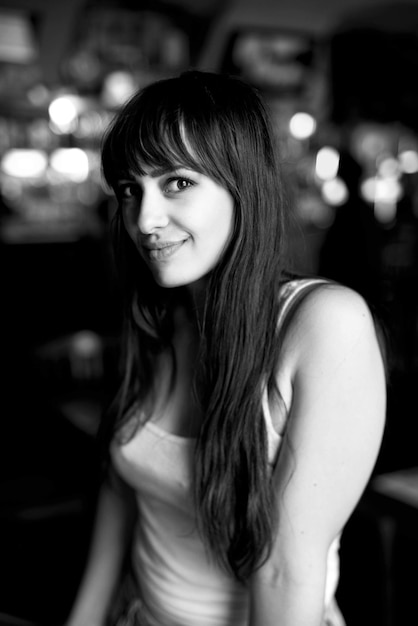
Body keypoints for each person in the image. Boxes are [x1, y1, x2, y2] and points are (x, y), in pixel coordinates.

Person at [65, 70, 386, 626]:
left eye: (178, 183)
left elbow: (285, 572)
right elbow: (121, 499)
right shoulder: (157, 318)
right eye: (129, 190)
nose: (144, 220)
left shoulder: (323, 325)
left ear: (243, 185)